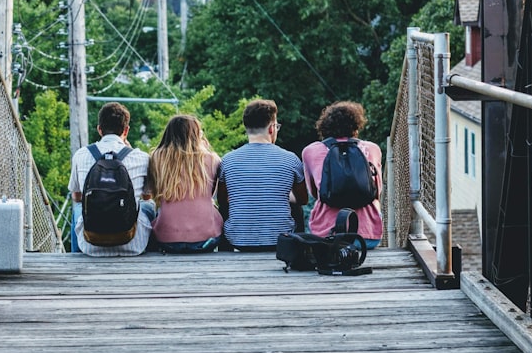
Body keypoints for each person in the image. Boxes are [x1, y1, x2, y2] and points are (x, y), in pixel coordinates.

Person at [218, 99, 308, 251]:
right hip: (280, 241)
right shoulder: (290, 159)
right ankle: (297, 250)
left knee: (226, 208)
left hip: (238, 241)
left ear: (246, 127)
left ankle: (225, 252)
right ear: (272, 128)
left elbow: (222, 200)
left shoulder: (227, 160)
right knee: (296, 208)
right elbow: (303, 199)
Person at [68, 102, 154, 256]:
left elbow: (76, 196)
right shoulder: (141, 158)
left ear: (99, 129)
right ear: (126, 130)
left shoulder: (81, 155)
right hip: (133, 244)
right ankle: (153, 253)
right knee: (149, 206)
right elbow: (147, 196)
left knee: (77, 209)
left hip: (90, 246)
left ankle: (76, 255)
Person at [302, 101, 384, 248]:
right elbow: (377, 191)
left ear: (324, 125)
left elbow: (315, 193)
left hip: (326, 236)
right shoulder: (372, 149)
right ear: (356, 125)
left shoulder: (310, 151)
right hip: (367, 237)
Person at [148, 115, 223, 253]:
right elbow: (212, 194)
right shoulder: (212, 159)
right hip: (206, 240)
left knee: (148, 208)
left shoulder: (156, 159)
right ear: (196, 136)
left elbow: (150, 194)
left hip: (166, 241)